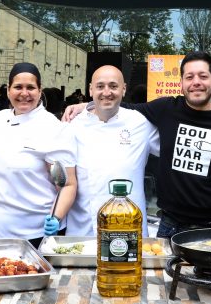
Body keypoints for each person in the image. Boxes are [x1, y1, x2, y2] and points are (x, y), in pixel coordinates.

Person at [64, 51, 211, 238]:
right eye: (189, 77)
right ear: (181, 82)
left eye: (203, 76)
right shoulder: (166, 108)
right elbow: (121, 106)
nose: (196, 82)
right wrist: (86, 106)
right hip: (169, 224)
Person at [0, 62, 77, 247]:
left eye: (31, 87)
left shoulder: (52, 129)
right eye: (18, 87)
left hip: (33, 235)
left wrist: (56, 217)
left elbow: (64, 184)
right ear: (8, 90)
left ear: (40, 91)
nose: (24, 93)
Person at [66, 65, 159, 236]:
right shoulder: (72, 124)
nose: (106, 92)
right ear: (90, 89)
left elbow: (172, 148)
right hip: (84, 230)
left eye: (113, 86)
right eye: (100, 86)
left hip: (129, 228)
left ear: (123, 89)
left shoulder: (140, 123)